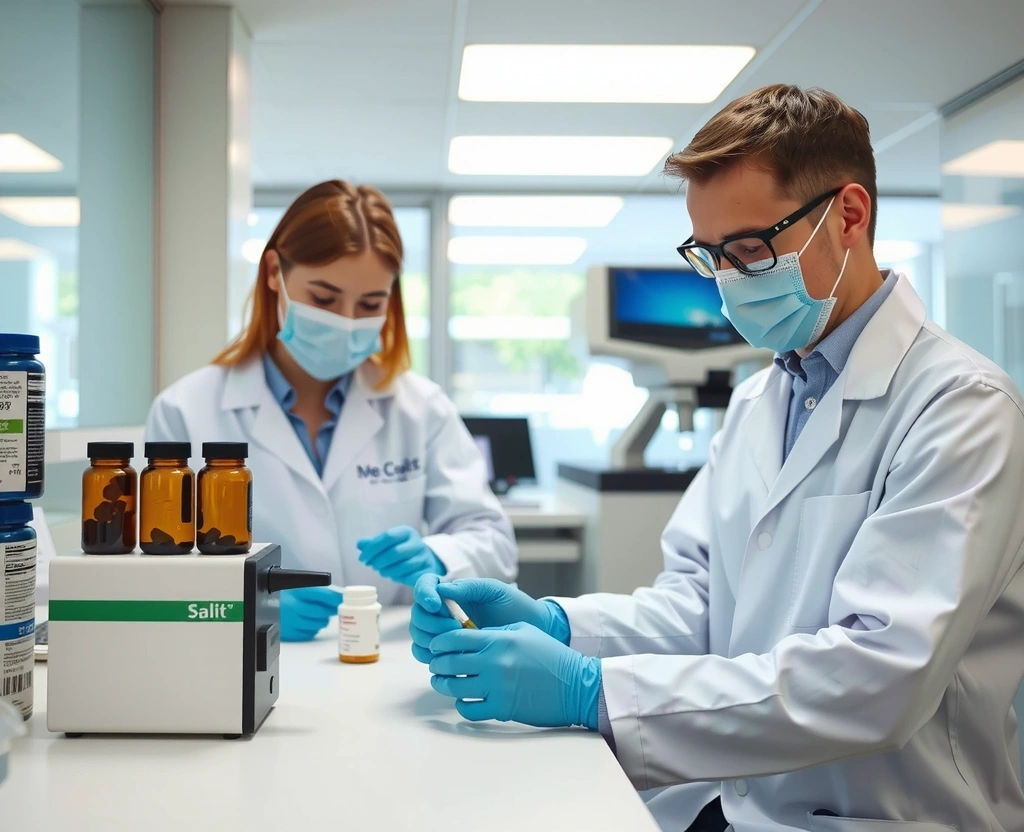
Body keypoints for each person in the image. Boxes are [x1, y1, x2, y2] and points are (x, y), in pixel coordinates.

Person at [408, 86, 1024, 832]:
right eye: (711, 255)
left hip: (891, 815)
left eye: (750, 249)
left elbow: (879, 677)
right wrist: (558, 623)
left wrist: (591, 691)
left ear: (849, 215)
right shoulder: (760, 401)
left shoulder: (961, 407)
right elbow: (702, 606)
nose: (728, 281)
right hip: (740, 800)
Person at [147, 180, 516, 641]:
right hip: (241, 660)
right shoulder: (184, 411)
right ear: (274, 273)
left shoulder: (421, 408)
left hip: (391, 659)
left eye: (370, 304)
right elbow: (154, 572)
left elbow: (493, 541)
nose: (346, 322)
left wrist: (438, 556)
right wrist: (249, 604)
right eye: (324, 299)